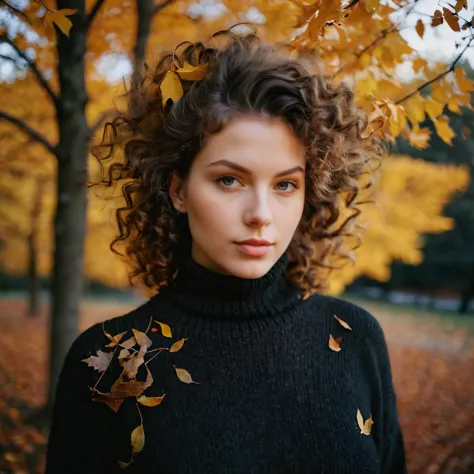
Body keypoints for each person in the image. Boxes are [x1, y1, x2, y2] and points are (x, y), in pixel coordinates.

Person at [44, 26, 407, 474]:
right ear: (177, 190)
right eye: (229, 180)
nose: (260, 213)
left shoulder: (356, 337)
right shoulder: (106, 361)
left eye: (285, 185)